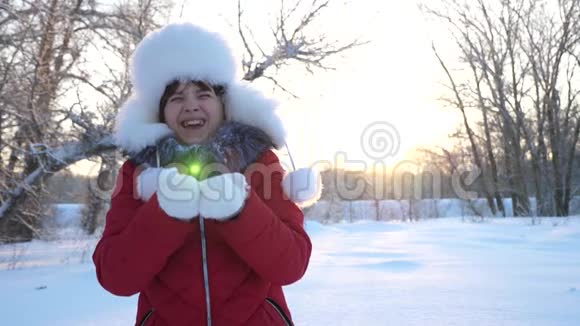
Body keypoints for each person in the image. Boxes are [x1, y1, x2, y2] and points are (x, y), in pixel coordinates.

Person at [92, 23, 321, 326]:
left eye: (203, 94)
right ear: (160, 113)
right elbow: (115, 277)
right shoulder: (139, 172)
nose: (190, 106)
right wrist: (165, 211)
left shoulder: (260, 163)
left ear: (223, 104)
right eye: (176, 98)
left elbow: (290, 265)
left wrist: (238, 208)